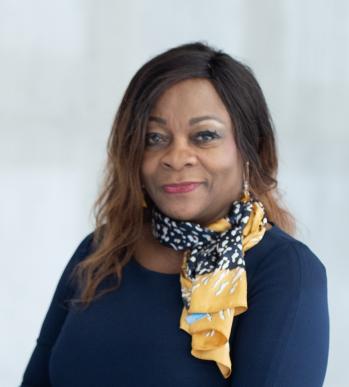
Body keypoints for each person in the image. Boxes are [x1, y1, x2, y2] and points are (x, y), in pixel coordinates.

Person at [20, 41, 329, 387]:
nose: (176, 157)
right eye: (154, 138)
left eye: (204, 136)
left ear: (251, 147)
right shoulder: (99, 252)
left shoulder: (285, 271)